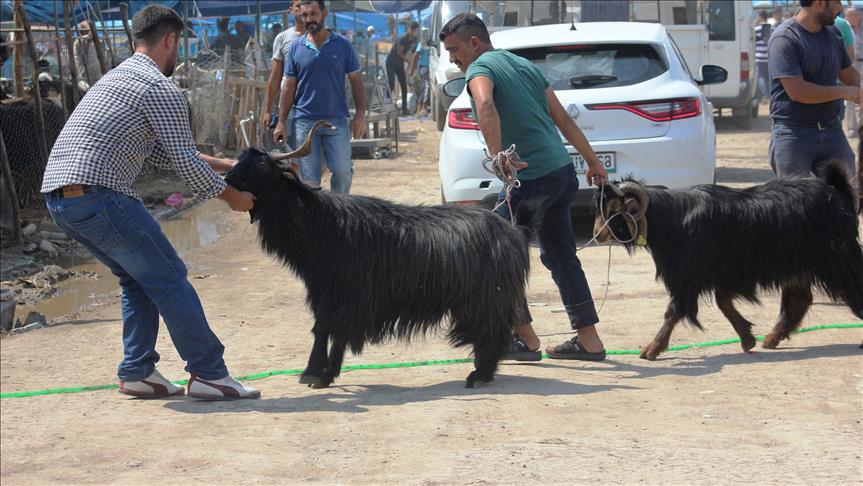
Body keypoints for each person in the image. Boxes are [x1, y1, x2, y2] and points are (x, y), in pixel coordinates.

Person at [40, 4, 260, 400]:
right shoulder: (160, 88)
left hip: (60, 199)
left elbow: (163, 154)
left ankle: (138, 371)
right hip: (98, 193)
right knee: (170, 276)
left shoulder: (117, 78)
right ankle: (209, 373)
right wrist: (233, 198)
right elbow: (187, 164)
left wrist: (228, 164)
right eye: (180, 44)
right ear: (171, 39)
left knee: (137, 279)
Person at [439, 13, 609, 361]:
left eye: (455, 49)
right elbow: (562, 119)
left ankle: (526, 340)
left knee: (490, 253)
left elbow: (485, 104)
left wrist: (497, 154)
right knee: (562, 258)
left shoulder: (479, 69)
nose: (452, 58)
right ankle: (589, 342)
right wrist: (592, 162)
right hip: (562, 175)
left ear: (474, 43)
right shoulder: (523, 65)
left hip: (532, 181)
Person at [272, 0, 367, 194]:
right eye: (304, 15)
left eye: (313, 14)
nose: (309, 19)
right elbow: (288, 87)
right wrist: (281, 122)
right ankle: (315, 220)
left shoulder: (342, 45)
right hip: (304, 122)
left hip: (336, 120)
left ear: (324, 13)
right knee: (309, 179)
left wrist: (360, 115)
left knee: (343, 172)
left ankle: (339, 212)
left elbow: (356, 80)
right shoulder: (296, 48)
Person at [767, 0, 860, 180]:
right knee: (796, 203)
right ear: (818, 3)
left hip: (832, 130)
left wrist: (860, 87)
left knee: (848, 198)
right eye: (836, 3)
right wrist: (844, 92)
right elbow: (799, 92)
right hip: (793, 134)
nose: (840, 8)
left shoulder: (833, 34)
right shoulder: (784, 39)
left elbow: (847, 72)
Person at [260, 0, 306, 147]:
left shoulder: (320, 37)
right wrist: (267, 110)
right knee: (293, 149)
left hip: (314, 103)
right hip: (290, 104)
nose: (301, 9)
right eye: (298, 6)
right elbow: (275, 77)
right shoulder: (283, 38)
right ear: (291, 10)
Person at [387, 20, 419, 115]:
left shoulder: (413, 39)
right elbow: (399, 52)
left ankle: (404, 108)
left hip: (399, 63)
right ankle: (387, 107)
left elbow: (413, 51)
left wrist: (414, 61)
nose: (413, 32)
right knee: (391, 83)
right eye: (412, 30)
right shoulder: (403, 38)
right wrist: (408, 61)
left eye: (415, 30)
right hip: (391, 62)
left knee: (404, 86)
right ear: (409, 29)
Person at [844, 7, 863, 136]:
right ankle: (852, 128)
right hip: (851, 65)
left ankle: (861, 126)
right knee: (850, 96)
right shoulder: (844, 28)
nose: (851, 17)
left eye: (855, 14)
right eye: (849, 15)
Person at [74, 21, 104, 89]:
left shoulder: (96, 41)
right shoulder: (79, 41)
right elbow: (88, 37)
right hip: (85, 77)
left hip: (96, 75)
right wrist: (90, 30)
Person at [410, 28, 431, 116]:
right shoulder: (421, 44)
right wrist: (411, 69)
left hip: (431, 68)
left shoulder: (431, 44)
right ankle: (423, 107)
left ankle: (421, 107)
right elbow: (415, 56)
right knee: (426, 86)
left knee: (424, 87)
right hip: (424, 68)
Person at [754, 11, 771, 104]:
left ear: (760, 17)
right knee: (768, 77)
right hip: (768, 56)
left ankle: (764, 95)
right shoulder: (771, 28)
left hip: (759, 56)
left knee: (760, 77)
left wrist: (755, 23)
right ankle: (769, 95)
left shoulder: (756, 29)